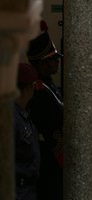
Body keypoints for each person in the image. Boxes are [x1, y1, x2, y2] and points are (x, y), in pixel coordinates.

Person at [26, 20, 63, 199]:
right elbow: (50, 128)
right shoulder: (40, 92)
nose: (57, 62)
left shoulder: (48, 83)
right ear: (41, 64)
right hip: (47, 157)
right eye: (53, 59)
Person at [14, 63, 41, 200]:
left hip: (27, 189)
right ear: (25, 88)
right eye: (32, 85)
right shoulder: (12, 119)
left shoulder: (22, 114)